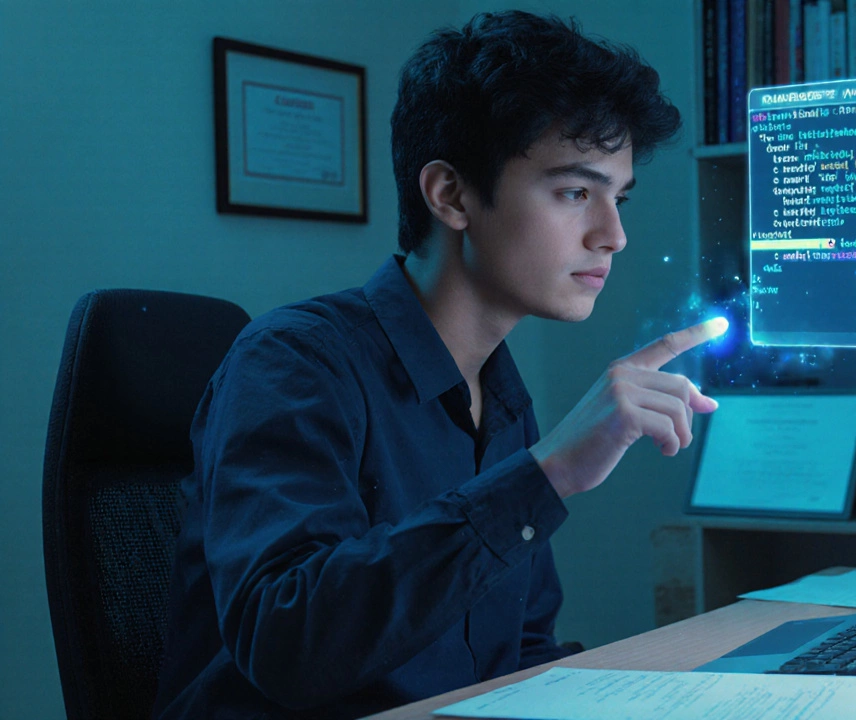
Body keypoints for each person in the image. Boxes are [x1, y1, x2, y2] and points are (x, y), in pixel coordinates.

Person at [153, 10, 725, 720]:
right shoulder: (293, 363)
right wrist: (547, 475)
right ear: (451, 195)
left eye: (619, 197)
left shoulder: (504, 399)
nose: (614, 234)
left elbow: (518, 652)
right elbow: (288, 644)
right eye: (576, 192)